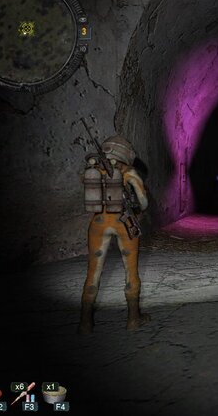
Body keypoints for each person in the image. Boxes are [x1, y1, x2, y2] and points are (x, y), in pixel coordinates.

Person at [79, 135, 150, 333]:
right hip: (124, 223)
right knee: (131, 270)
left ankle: (85, 323)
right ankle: (133, 319)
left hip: (99, 223)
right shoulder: (128, 172)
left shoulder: (92, 171)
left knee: (93, 272)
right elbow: (144, 203)